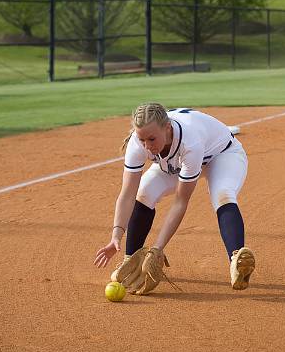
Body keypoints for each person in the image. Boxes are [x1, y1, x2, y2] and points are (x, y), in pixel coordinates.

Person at [93, 103, 255, 295]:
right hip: (176, 162)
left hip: (222, 155)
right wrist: (116, 236)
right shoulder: (139, 143)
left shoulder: (190, 142)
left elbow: (181, 202)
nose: (147, 146)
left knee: (223, 194)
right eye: (142, 139)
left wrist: (157, 248)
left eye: (151, 139)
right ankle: (131, 259)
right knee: (144, 193)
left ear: (167, 128)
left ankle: (237, 260)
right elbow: (127, 193)